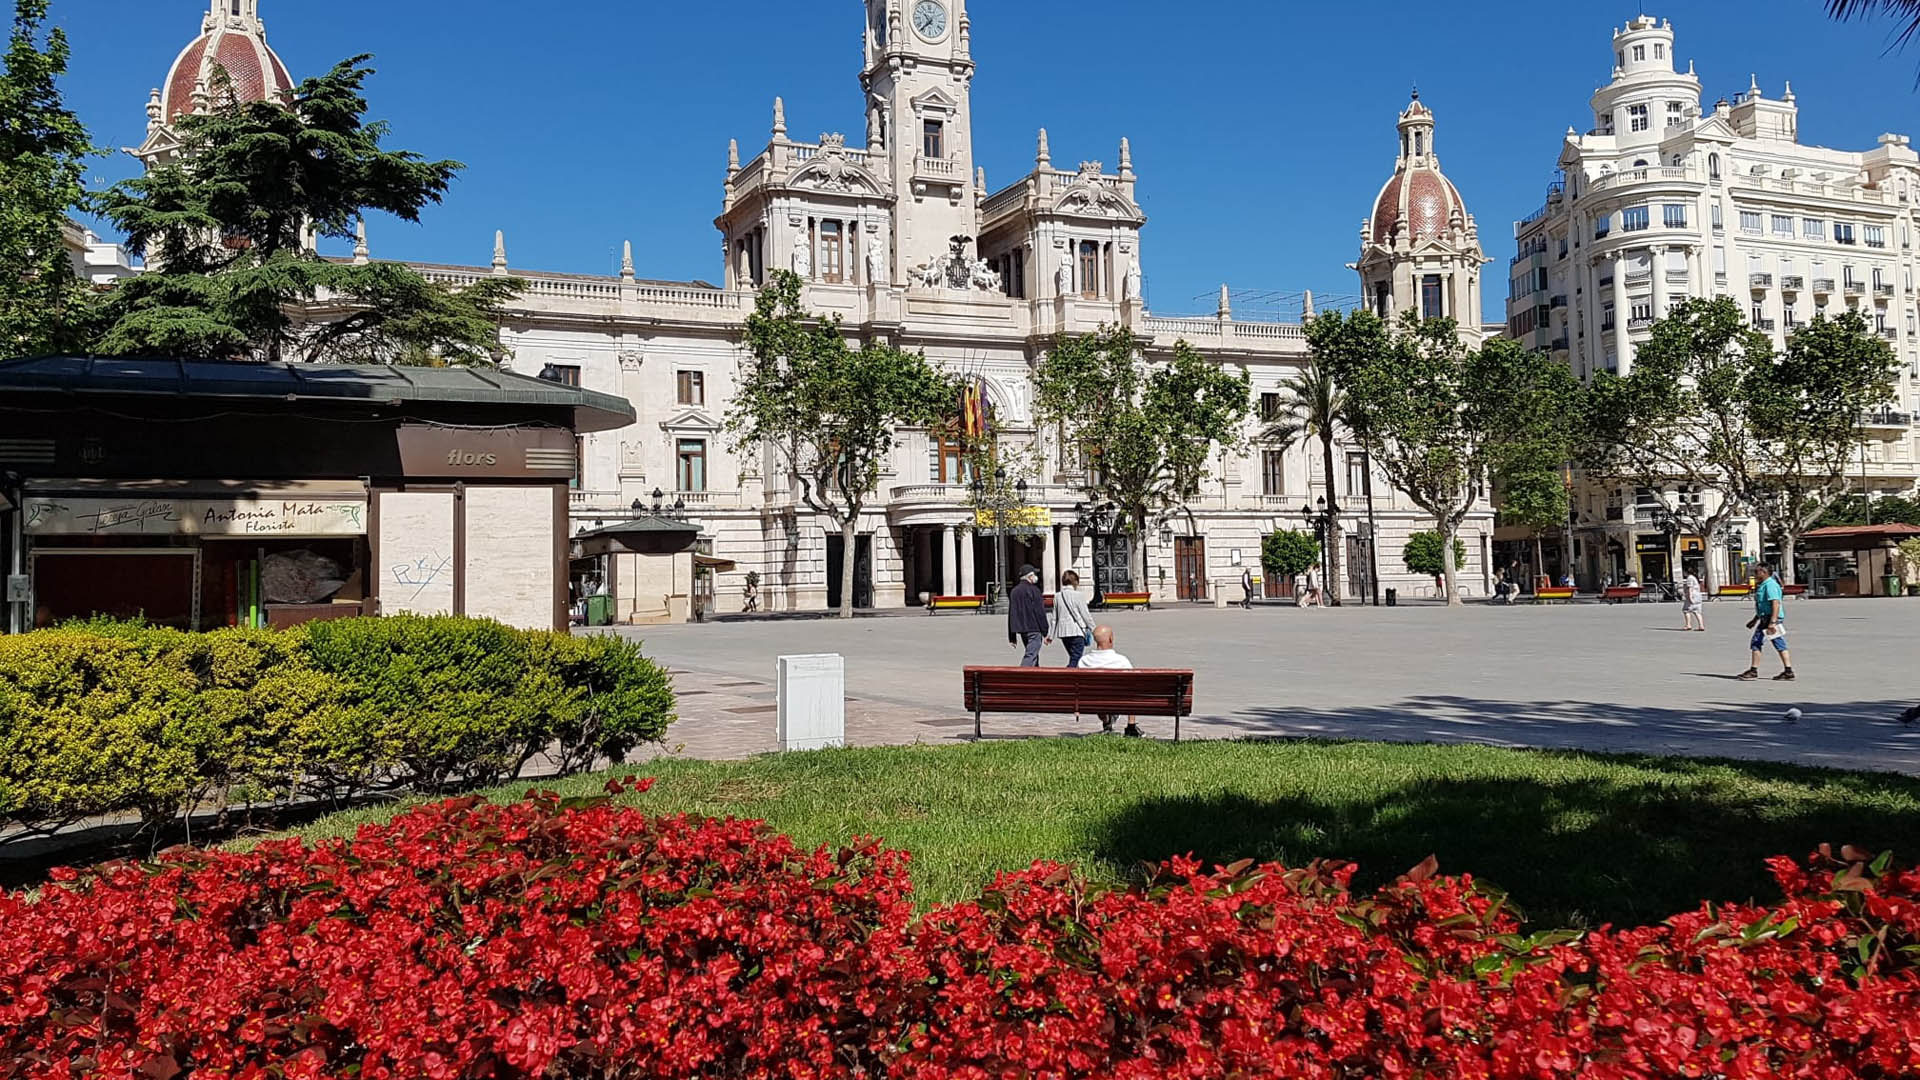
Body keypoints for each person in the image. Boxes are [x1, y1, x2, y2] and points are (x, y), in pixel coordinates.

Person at [1079, 624, 1141, 737]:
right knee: (1133, 689)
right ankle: (1131, 727)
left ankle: (1107, 722)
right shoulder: (1121, 661)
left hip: (1093, 700)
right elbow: (1134, 682)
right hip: (1117, 698)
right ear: (1111, 639)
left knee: (1098, 692)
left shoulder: (1084, 661)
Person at [1738, 563, 1794, 682]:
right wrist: (1754, 620)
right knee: (1774, 643)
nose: (1755, 574)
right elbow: (1763, 605)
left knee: (1759, 643)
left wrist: (1773, 622)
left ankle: (1754, 671)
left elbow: (1775, 603)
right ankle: (1788, 671)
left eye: (1757, 572)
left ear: (1764, 572)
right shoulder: (1764, 585)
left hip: (1770, 619)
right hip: (1765, 618)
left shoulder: (1770, 585)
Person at [1051, 570, 1096, 667]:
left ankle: (1075, 678)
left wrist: (1050, 635)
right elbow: (1086, 615)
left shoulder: (1057, 596)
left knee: (1074, 657)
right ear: (1075, 581)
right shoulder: (1079, 595)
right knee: (1076, 658)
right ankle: (1068, 677)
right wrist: (1094, 630)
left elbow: (1054, 618)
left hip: (1063, 633)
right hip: (1076, 631)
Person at [1006, 565, 1048, 667]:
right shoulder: (1034, 590)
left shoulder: (1014, 591)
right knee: (1031, 654)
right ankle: (1021, 676)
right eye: (1034, 575)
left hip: (1022, 629)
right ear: (1029, 577)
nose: (1036, 577)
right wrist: (1045, 632)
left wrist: (1012, 636)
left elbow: (1012, 613)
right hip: (1034, 628)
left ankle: (1035, 678)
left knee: (1033, 654)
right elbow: (1040, 612)